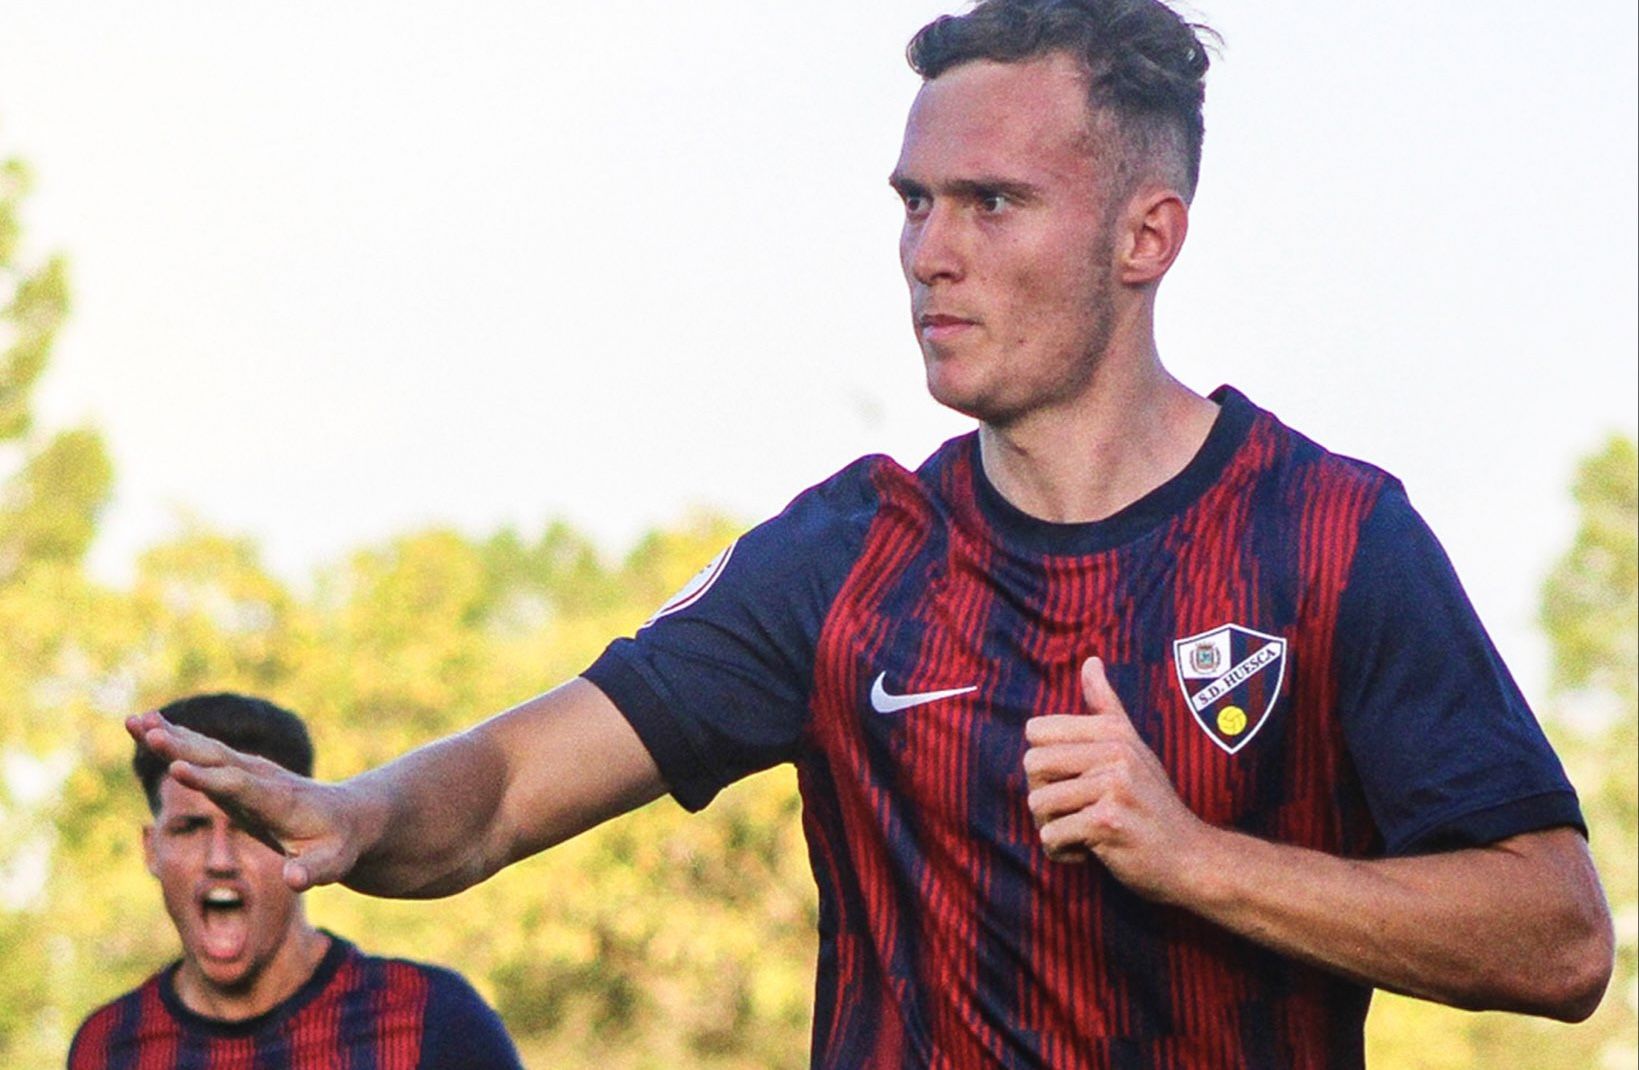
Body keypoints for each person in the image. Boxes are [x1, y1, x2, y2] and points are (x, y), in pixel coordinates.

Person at [127, 1, 1615, 1066]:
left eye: (987, 201)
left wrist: (1190, 856)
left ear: (1143, 237)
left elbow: (1553, 940)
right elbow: (513, 782)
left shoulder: (1328, 534)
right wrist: (363, 815)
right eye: (910, 202)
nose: (927, 252)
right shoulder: (849, 552)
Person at [72, 692, 523, 1070]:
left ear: (298, 838)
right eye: (191, 828)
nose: (220, 859)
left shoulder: (430, 1019)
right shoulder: (108, 1046)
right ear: (152, 849)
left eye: (250, 827)